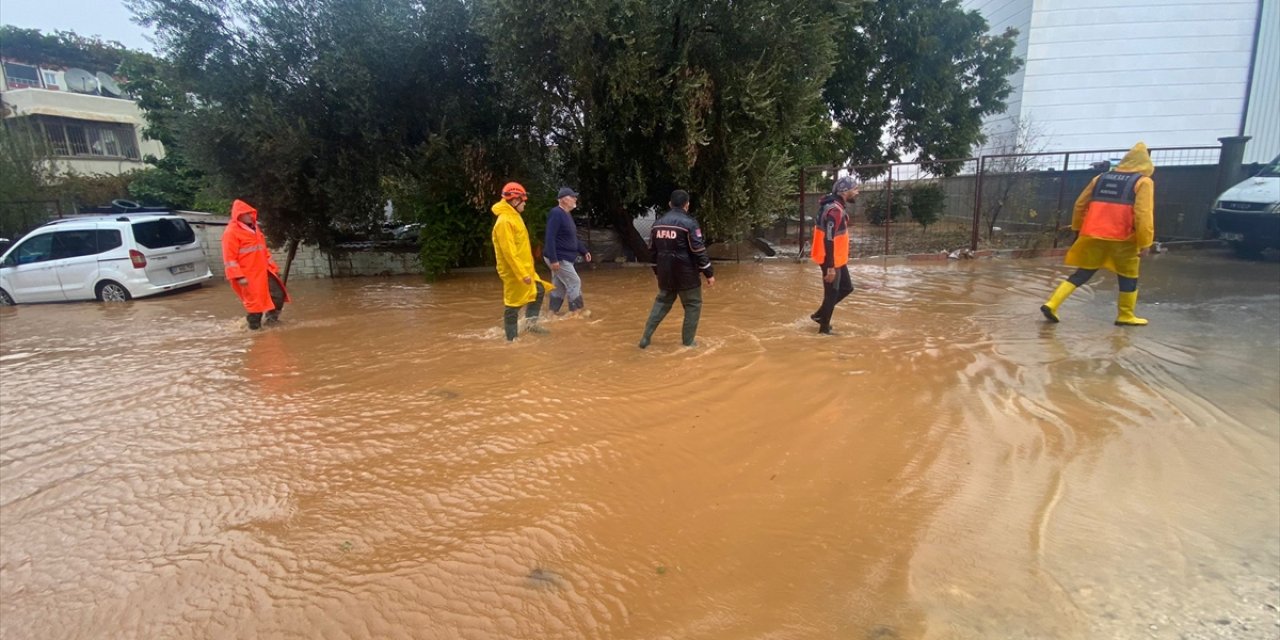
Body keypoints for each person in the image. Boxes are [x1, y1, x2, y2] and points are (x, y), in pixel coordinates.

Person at [1041, 142, 1156, 326]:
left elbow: (1080, 204)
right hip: (1123, 238)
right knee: (1128, 275)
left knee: (1084, 272)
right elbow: (1143, 214)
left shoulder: (1100, 178)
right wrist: (1145, 242)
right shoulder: (1143, 182)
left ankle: (1052, 303)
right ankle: (1125, 315)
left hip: (1092, 234)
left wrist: (1078, 229)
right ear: (1146, 164)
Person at [638, 189, 715, 348]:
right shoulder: (690, 223)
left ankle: (645, 338)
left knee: (661, 303)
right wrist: (709, 273)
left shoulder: (657, 224)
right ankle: (688, 343)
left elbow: (651, 252)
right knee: (693, 305)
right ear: (687, 205)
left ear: (670, 204)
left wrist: (657, 272)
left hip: (665, 272)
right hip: (687, 274)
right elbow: (698, 250)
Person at [492, 181, 553, 340]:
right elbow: (509, 252)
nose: (525, 203)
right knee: (513, 304)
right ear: (514, 201)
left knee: (538, 290)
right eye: (522, 200)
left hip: (525, 268)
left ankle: (530, 325)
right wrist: (521, 273)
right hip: (514, 271)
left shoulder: (514, 216)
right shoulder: (504, 221)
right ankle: (511, 340)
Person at [222, 199, 289, 330]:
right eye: (247, 214)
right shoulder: (231, 232)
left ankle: (271, 322)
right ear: (239, 215)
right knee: (255, 304)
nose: (250, 216)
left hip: (264, 271)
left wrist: (273, 268)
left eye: (251, 213)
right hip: (248, 274)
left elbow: (264, 250)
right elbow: (229, 258)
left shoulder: (255, 229)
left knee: (278, 294)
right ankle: (254, 330)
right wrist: (239, 276)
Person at [810, 175, 859, 334]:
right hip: (830, 258)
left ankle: (820, 315)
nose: (857, 192)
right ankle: (824, 331)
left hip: (837, 257)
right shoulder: (834, 210)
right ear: (845, 191)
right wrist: (830, 267)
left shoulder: (835, 206)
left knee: (846, 287)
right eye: (855, 189)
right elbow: (829, 239)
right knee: (832, 293)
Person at [544, 187, 592, 315]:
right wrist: (554, 259)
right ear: (564, 200)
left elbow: (571, 237)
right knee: (574, 282)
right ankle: (576, 314)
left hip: (562, 258)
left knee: (559, 286)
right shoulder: (556, 213)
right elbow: (550, 237)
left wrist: (584, 251)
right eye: (572, 196)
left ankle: (551, 314)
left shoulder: (566, 214)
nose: (575, 199)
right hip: (559, 258)